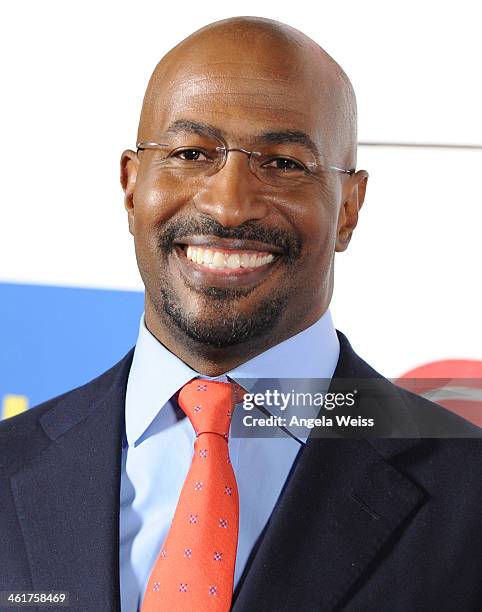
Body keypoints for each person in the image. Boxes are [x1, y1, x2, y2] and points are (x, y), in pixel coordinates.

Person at [1, 16, 481, 612]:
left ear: (349, 209)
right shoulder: (10, 463)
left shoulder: (468, 495)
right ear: (131, 186)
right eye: (191, 153)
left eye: (282, 163)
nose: (229, 206)